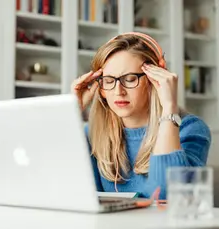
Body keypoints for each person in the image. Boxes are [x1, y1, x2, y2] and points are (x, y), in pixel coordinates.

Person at [71, 32, 211, 200]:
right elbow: (73, 194)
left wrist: (169, 108)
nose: (118, 91)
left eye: (130, 79)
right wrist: (72, 111)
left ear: (154, 80)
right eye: (108, 81)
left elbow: (168, 197)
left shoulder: (190, 129)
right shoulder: (91, 133)